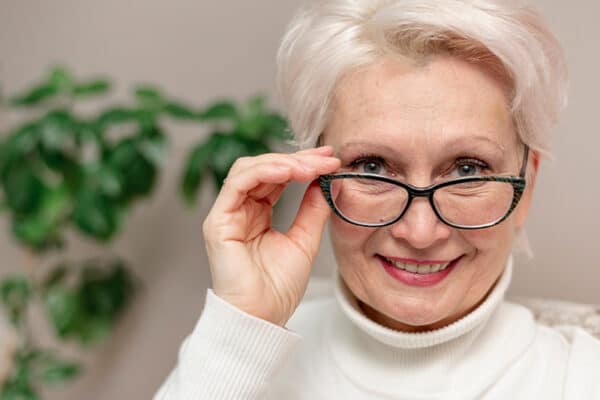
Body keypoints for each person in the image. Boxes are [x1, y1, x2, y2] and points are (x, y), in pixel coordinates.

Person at [155, 1, 600, 398]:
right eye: (373, 167)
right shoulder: (228, 361)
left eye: (468, 168)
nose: (421, 233)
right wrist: (240, 331)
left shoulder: (582, 378)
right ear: (316, 173)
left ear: (526, 187)